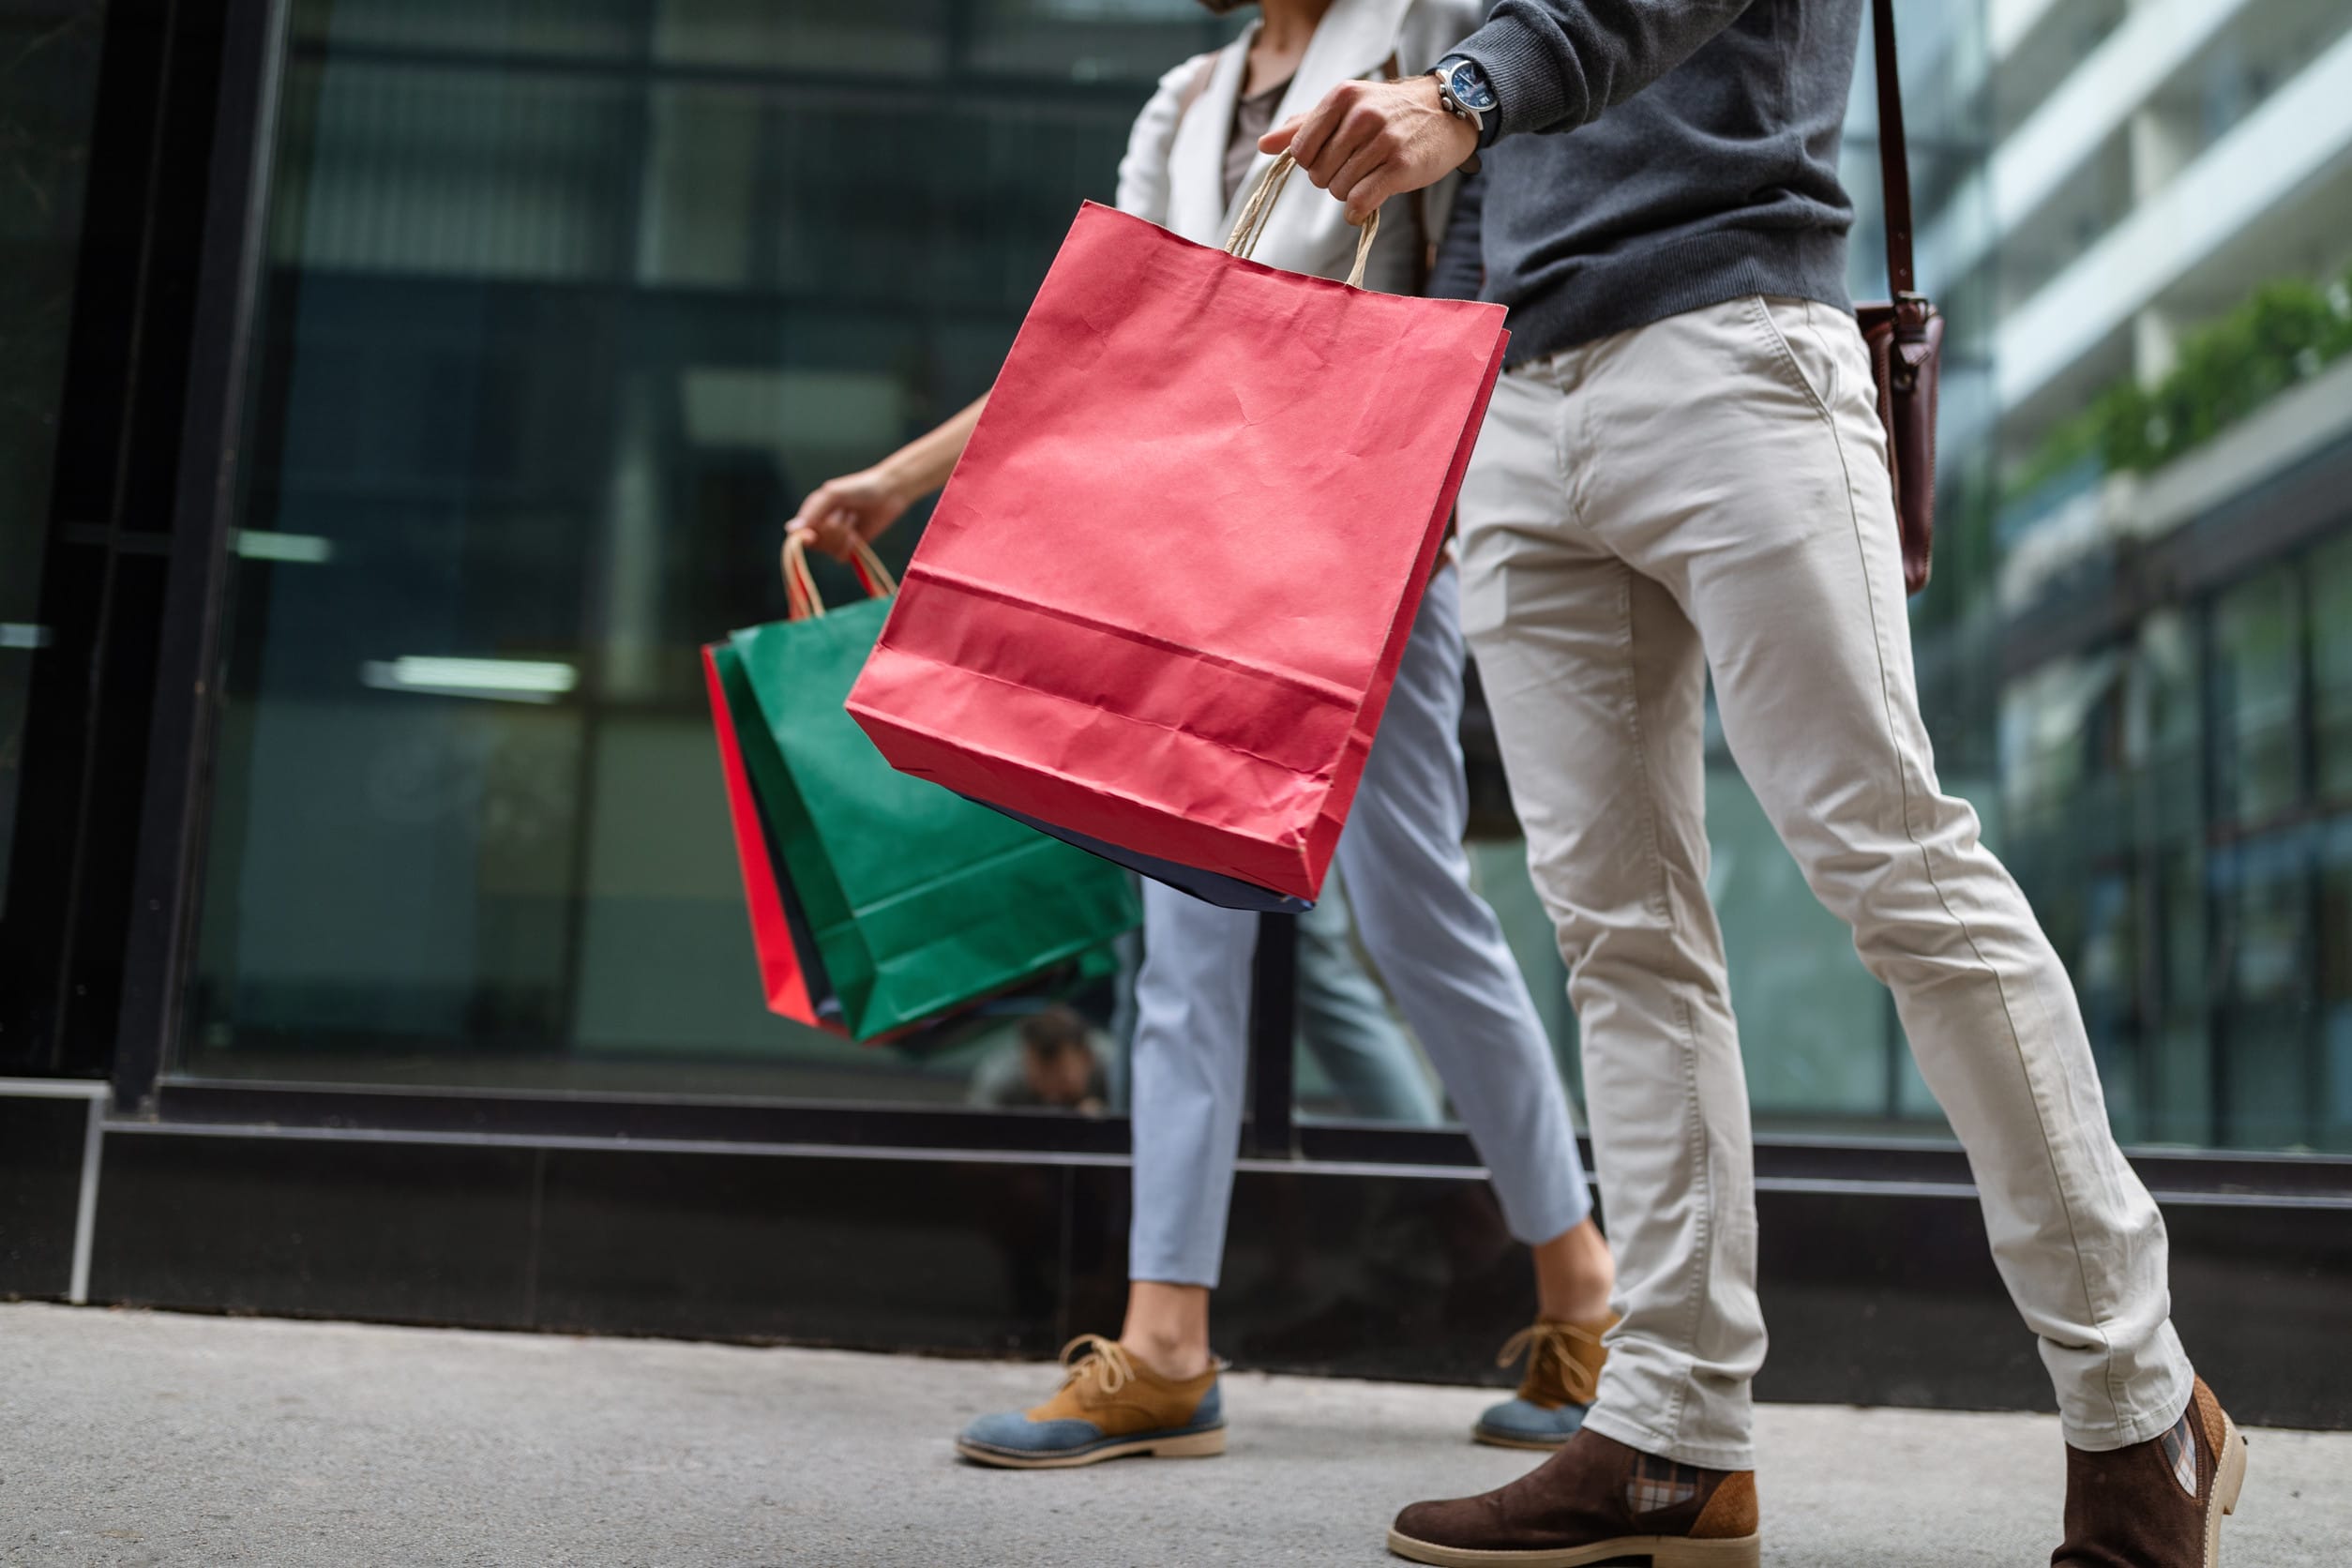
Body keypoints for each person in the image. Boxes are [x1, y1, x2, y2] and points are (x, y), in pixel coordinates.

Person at [1261, 5, 2246, 1565]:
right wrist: (1442, 381)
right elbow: (1486, 189)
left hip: (1730, 347)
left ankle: (2140, 1412)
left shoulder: (1491, 78)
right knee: (1618, 937)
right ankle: (1670, 1435)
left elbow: (1550, 58)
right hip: (1516, 397)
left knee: (1898, 869)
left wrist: (1462, 90)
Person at [790, 0, 1619, 1470]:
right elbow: (1100, 345)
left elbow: (1479, 273)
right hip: (1189, 558)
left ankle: (1582, 1288)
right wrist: (904, 480)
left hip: (1356, 545)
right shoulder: (1186, 101)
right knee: (1183, 936)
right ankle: (1167, 1344)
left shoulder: (1425, 28)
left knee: (1414, 910)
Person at [968, 1004, 1111, 1114]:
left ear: (1088, 1058)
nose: (1052, 1096)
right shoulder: (1000, 1080)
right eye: (1039, 1080)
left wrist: (1105, 1119)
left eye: (1063, 1080)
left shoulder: (1113, 1069)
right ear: (1025, 1060)